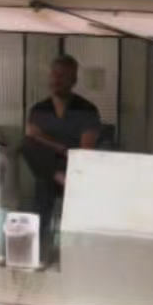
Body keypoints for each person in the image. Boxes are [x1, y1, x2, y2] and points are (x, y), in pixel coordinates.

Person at [21, 54, 101, 230]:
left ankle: (59, 177)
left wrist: (45, 140)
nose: (57, 79)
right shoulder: (39, 110)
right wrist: (56, 154)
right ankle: (40, 240)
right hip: (48, 172)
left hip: (75, 171)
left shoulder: (87, 110)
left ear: (73, 80)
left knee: (47, 179)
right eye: (54, 74)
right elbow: (31, 143)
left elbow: (84, 152)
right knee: (27, 145)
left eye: (63, 75)